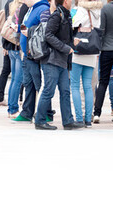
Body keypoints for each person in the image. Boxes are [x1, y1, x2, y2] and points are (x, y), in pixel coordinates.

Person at [35, 0, 83, 130]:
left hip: (61, 60)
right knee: (48, 91)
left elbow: (62, 37)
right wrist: (65, 48)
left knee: (65, 91)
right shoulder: (57, 15)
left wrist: (73, 40)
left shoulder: (66, 15)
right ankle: (39, 121)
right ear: (65, 1)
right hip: (51, 59)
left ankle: (68, 121)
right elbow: (48, 35)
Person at [11, 0, 53, 124]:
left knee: (40, 85)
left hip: (36, 54)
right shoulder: (31, 8)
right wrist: (19, 28)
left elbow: (45, 30)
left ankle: (46, 113)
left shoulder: (43, 9)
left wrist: (29, 30)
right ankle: (27, 113)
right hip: (27, 53)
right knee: (29, 84)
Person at [70, 0, 101, 127]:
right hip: (92, 52)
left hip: (79, 51)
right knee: (88, 86)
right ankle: (88, 119)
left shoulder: (81, 9)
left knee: (75, 86)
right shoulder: (98, 10)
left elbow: (75, 24)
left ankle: (79, 117)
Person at [94, 0, 113, 124]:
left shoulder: (105, 8)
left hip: (106, 49)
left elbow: (102, 30)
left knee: (103, 82)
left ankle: (97, 113)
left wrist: (98, 48)